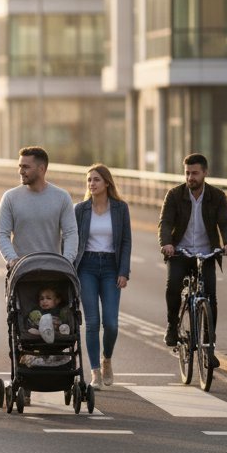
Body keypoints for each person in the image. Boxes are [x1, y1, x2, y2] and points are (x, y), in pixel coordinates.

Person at [158, 153, 227, 366]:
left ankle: (209, 346)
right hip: (180, 253)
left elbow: (225, 222)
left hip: (206, 253)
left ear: (205, 173)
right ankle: (172, 326)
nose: (190, 177)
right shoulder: (174, 195)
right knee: (173, 285)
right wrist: (167, 244)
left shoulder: (217, 196)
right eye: (187, 173)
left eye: (194, 173)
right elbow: (165, 222)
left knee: (210, 297)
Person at [74, 163, 132, 388]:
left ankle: (106, 359)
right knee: (92, 322)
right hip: (86, 267)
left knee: (111, 323)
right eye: (89, 180)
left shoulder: (120, 208)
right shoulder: (80, 209)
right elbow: (71, 239)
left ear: (107, 183)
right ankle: (95, 372)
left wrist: (123, 271)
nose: (92, 183)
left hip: (111, 267)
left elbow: (126, 241)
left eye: (96, 179)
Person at [0, 146, 78, 267]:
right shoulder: (10, 197)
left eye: (26, 167)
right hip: (22, 270)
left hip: (53, 269)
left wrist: (66, 261)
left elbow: (70, 233)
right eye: (20, 166)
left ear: (41, 169)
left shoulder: (62, 197)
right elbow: (2, 234)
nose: (20, 171)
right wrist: (13, 260)